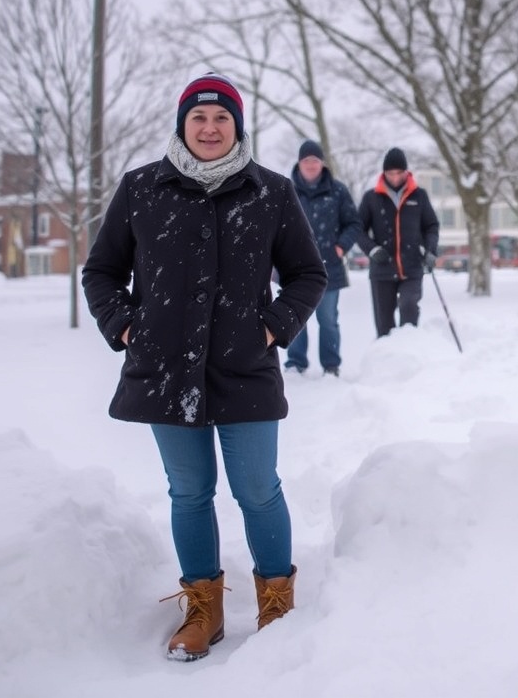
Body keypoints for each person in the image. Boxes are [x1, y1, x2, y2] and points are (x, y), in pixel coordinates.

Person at [82, 73, 327, 662]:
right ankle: (203, 608)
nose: (210, 128)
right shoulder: (141, 189)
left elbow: (307, 274)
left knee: (257, 489)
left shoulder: (270, 192)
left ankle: (276, 604)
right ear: (182, 124)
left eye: (222, 118)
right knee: (189, 492)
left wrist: (271, 328)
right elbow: (101, 272)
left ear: (237, 127)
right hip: (165, 371)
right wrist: (127, 327)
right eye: (199, 117)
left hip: (245, 369)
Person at [283, 140, 362, 377]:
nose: (311, 165)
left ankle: (331, 364)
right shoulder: (286, 190)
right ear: (299, 163)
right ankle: (295, 362)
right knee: (295, 316)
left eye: (315, 160)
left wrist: (341, 246)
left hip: (329, 267)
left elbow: (354, 223)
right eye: (306, 160)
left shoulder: (338, 191)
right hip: (294, 269)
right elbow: (275, 227)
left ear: (322, 164)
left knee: (327, 319)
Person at [357, 147, 440, 338]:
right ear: (384, 173)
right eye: (391, 173)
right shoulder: (371, 198)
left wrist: (430, 251)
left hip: (412, 267)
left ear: (406, 172)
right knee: (384, 324)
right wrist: (372, 249)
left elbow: (431, 226)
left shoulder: (419, 196)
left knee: (409, 306)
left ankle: (408, 348)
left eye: (399, 173)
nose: (395, 177)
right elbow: (357, 229)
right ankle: (385, 354)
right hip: (382, 269)